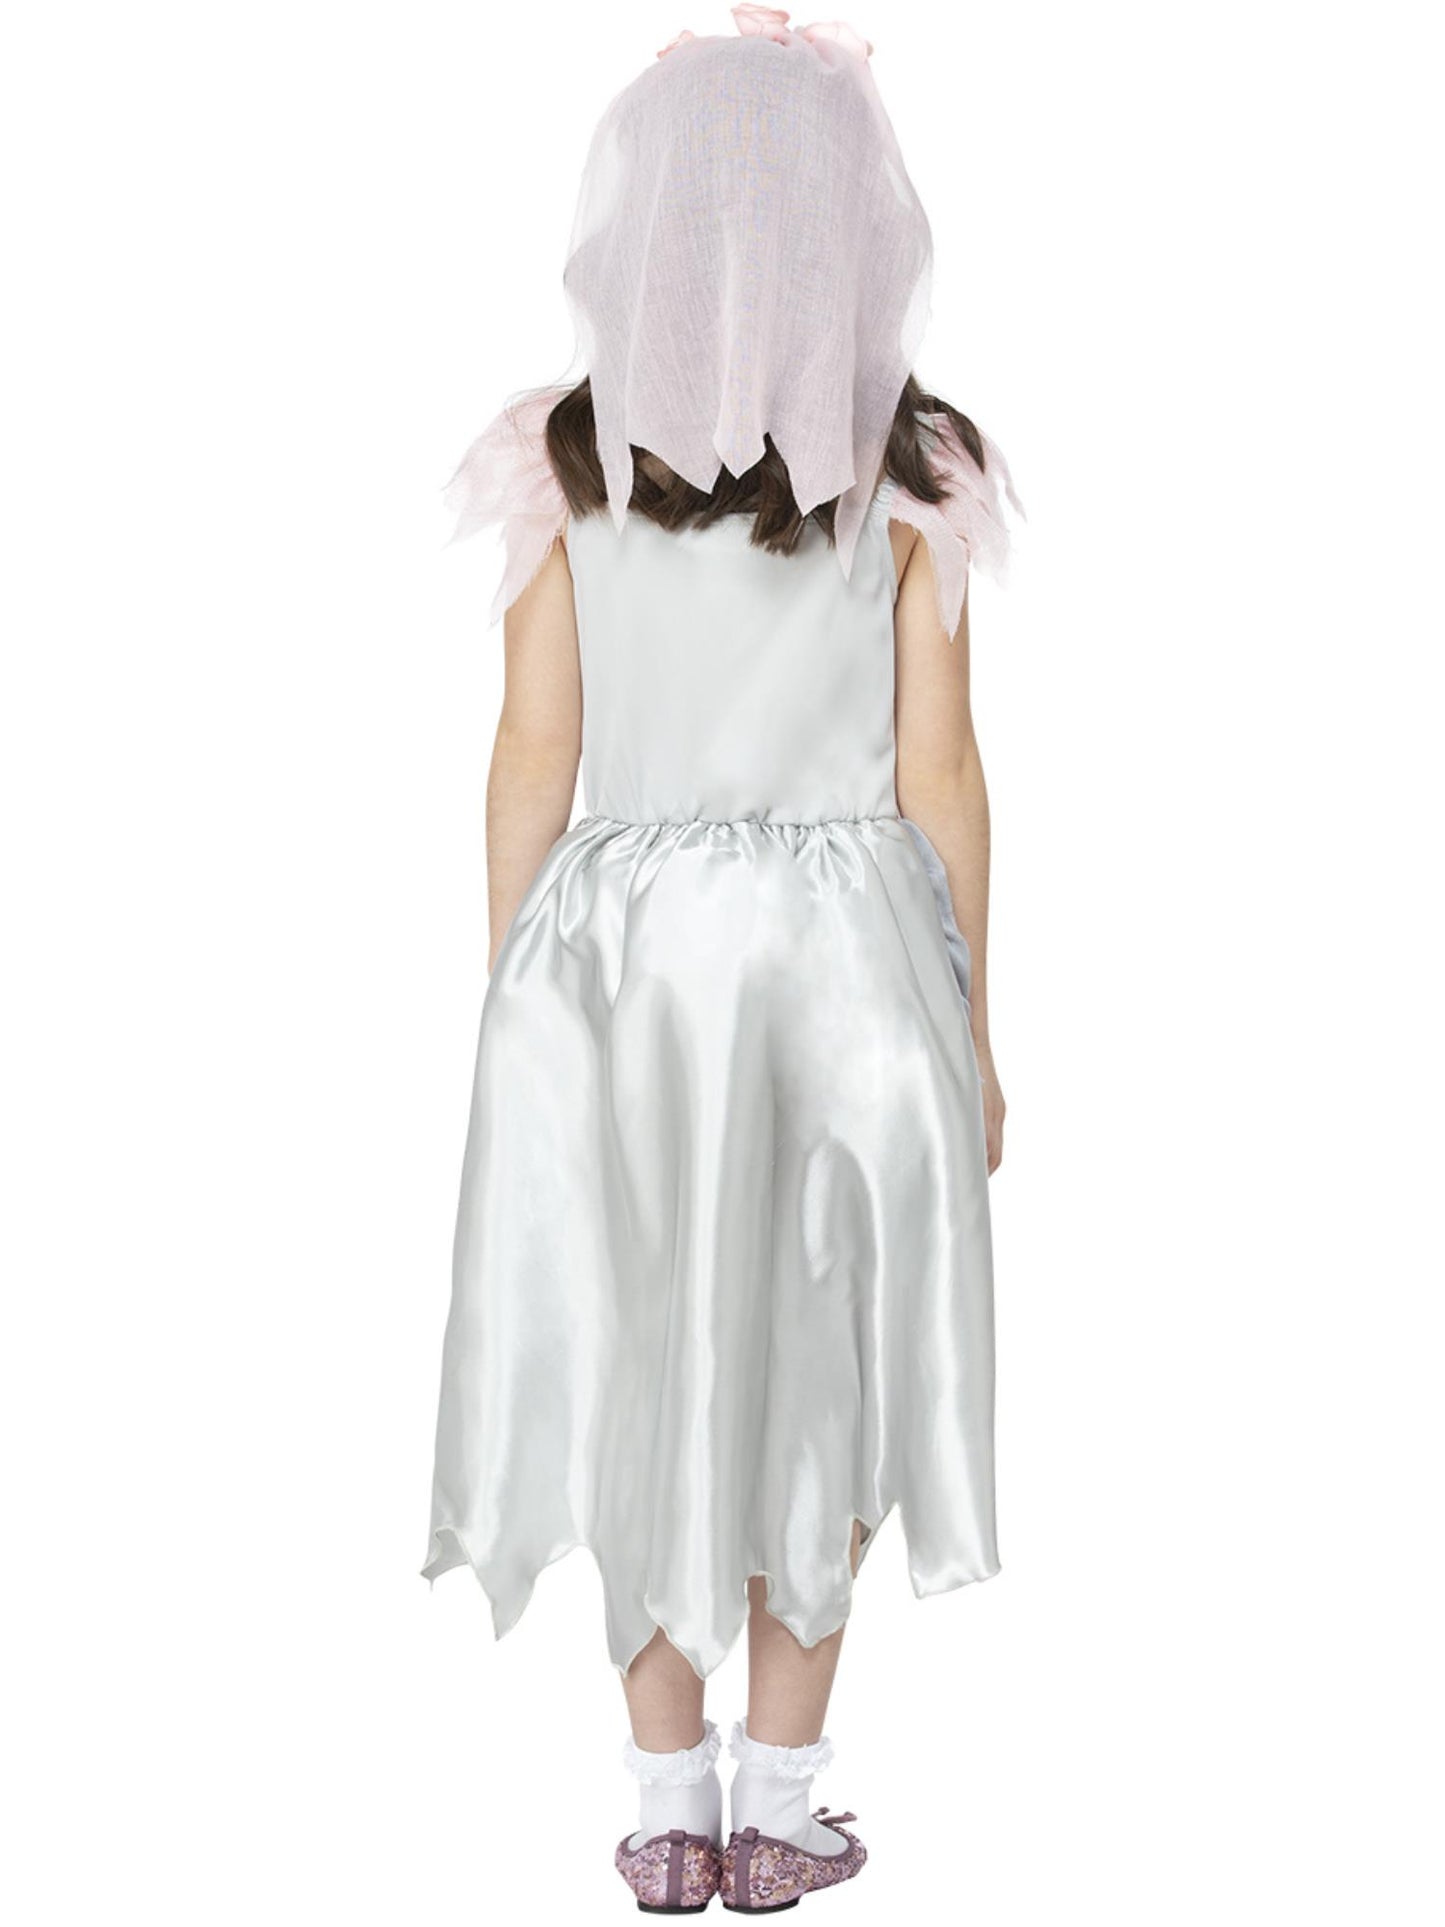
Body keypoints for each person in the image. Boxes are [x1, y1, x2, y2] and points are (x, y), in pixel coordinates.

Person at [423, 7, 1021, 1912]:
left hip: (627, 975)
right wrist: (972, 1030)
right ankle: (781, 1802)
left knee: (646, 1362)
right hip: (844, 966)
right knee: (816, 1365)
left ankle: (665, 1806)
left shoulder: (569, 463)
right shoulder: (911, 468)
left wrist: (516, 992)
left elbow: (532, 750)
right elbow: (939, 772)